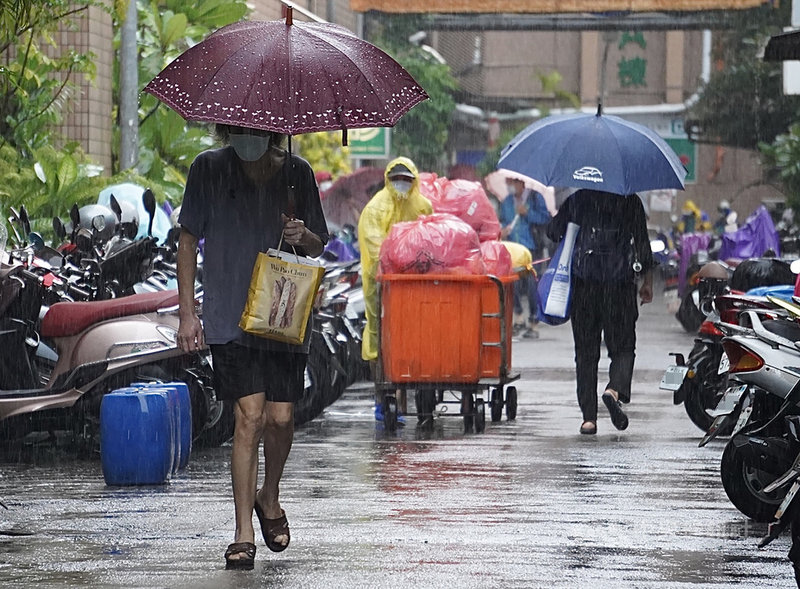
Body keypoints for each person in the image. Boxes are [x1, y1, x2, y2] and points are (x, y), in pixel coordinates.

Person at [176, 124, 328, 570]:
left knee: (281, 418)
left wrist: (303, 235)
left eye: (256, 129)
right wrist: (189, 314)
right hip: (228, 314)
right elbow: (187, 241)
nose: (248, 136)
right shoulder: (207, 169)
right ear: (226, 128)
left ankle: (270, 496)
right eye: (239, 128)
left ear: (274, 131)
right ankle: (243, 530)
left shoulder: (297, 173)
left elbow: (319, 245)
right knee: (250, 416)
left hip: (282, 315)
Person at [546, 189, 654, 435]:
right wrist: (647, 282)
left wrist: (566, 220)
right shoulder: (630, 201)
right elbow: (642, 243)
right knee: (624, 347)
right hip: (620, 286)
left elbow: (553, 232)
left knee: (585, 353)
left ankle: (588, 419)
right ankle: (614, 390)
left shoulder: (579, 198)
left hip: (585, 287)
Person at [358, 157, 433, 422]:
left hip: (412, 282)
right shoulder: (376, 208)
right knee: (380, 336)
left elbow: (430, 237)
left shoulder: (422, 205)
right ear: (389, 180)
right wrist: (397, 260)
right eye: (397, 179)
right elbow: (374, 245)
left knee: (411, 336)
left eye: (406, 179)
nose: (401, 184)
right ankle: (382, 395)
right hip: (381, 282)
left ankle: (404, 398)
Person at [499, 177, 551, 338]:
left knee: (531, 285)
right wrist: (502, 230)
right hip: (512, 249)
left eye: (512, 182)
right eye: (508, 182)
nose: (510, 186)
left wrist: (528, 213)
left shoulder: (535, 198)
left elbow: (545, 219)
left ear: (521, 182)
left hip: (531, 248)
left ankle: (534, 322)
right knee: (512, 283)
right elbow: (501, 221)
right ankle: (518, 317)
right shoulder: (506, 202)